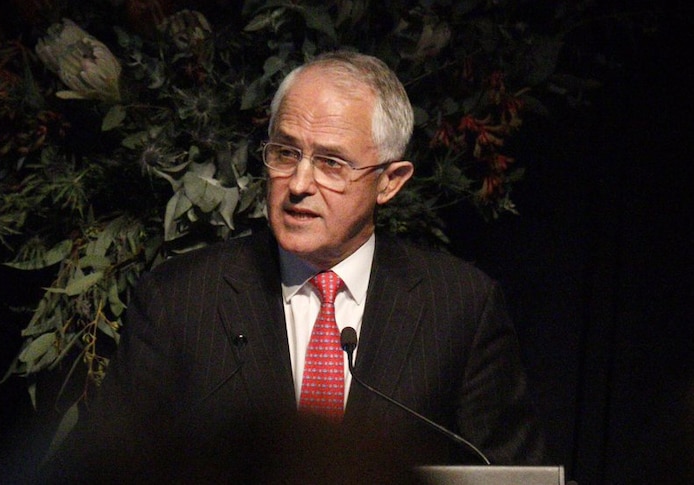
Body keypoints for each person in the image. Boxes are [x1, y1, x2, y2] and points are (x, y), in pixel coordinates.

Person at [44, 50, 546, 483]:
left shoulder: (459, 306)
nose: (299, 182)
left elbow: (505, 476)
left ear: (390, 182)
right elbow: (97, 468)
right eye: (286, 153)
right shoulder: (179, 300)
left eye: (331, 163)